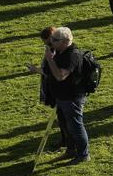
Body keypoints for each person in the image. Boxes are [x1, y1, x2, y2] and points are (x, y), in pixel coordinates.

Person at [37, 26, 98, 165]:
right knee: (66, 125)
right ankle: (71, 151)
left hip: (72, 97)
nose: (51, 42)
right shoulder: (60, 51)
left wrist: (50, 59)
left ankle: (83, 154)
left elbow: (60, 76)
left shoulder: (72, 55)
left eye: (54, 40)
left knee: (76, 126)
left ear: (65, 41)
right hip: (62, 97)